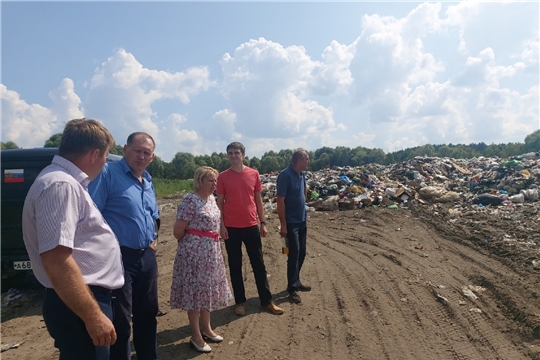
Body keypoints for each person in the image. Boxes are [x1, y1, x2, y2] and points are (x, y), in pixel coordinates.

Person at [22, 118, 124, 360]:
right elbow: (56, 259)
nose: (104, 163)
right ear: (95, 154)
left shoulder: (63, 182)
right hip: (79, 303)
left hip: (78, 299)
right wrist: (93, 316)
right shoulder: (61, 185)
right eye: (106, 156)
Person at [89, 132, 160, 360]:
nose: (141, 156)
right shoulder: (108, 174)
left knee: (148, 314)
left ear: (152, 157)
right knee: (121, 319)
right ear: (125, 148)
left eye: (146, 153)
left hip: (146, 257)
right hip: (119, 258)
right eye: (137, 150)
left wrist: (153, 239)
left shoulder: (147, 180)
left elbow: (153, 215)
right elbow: (92, 215)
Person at [216, 142, 284, 316]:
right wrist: (221, 225)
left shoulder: (253, 174)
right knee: (235, 265)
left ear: (243, 155)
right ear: (227, 156)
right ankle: (240, 302)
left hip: (251, 225)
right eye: (230, 153)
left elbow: (258, 200)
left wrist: (263, 222)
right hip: (231, 228)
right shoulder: (223, 177)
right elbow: (220, 203)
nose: (233, 156)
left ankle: (266, 301)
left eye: (236, 152)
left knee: (259, 264)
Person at [170, 166, 233, 353]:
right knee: (196, 292)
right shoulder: (190, 200)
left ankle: (207, 328)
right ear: (199, 181)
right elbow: (177, 231)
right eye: (210, 181)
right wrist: (194, 243)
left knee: (207, 290)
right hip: (194, 254)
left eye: (215, 180)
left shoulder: (212, 199)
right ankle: (196, 335)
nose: (215, 184)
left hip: (211, 252)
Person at [276, 148, 312, 304]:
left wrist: (303, 205)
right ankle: (292, 289)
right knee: (293, 254)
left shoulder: (302, 174)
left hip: (302, 219)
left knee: (302, 252)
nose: (309, 161)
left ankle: (296, 281)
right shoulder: (285, 175)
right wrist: (283, 225)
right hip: (291, 222)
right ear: (299, 160)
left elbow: (303, 191)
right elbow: (280, 201)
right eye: (307, 159)